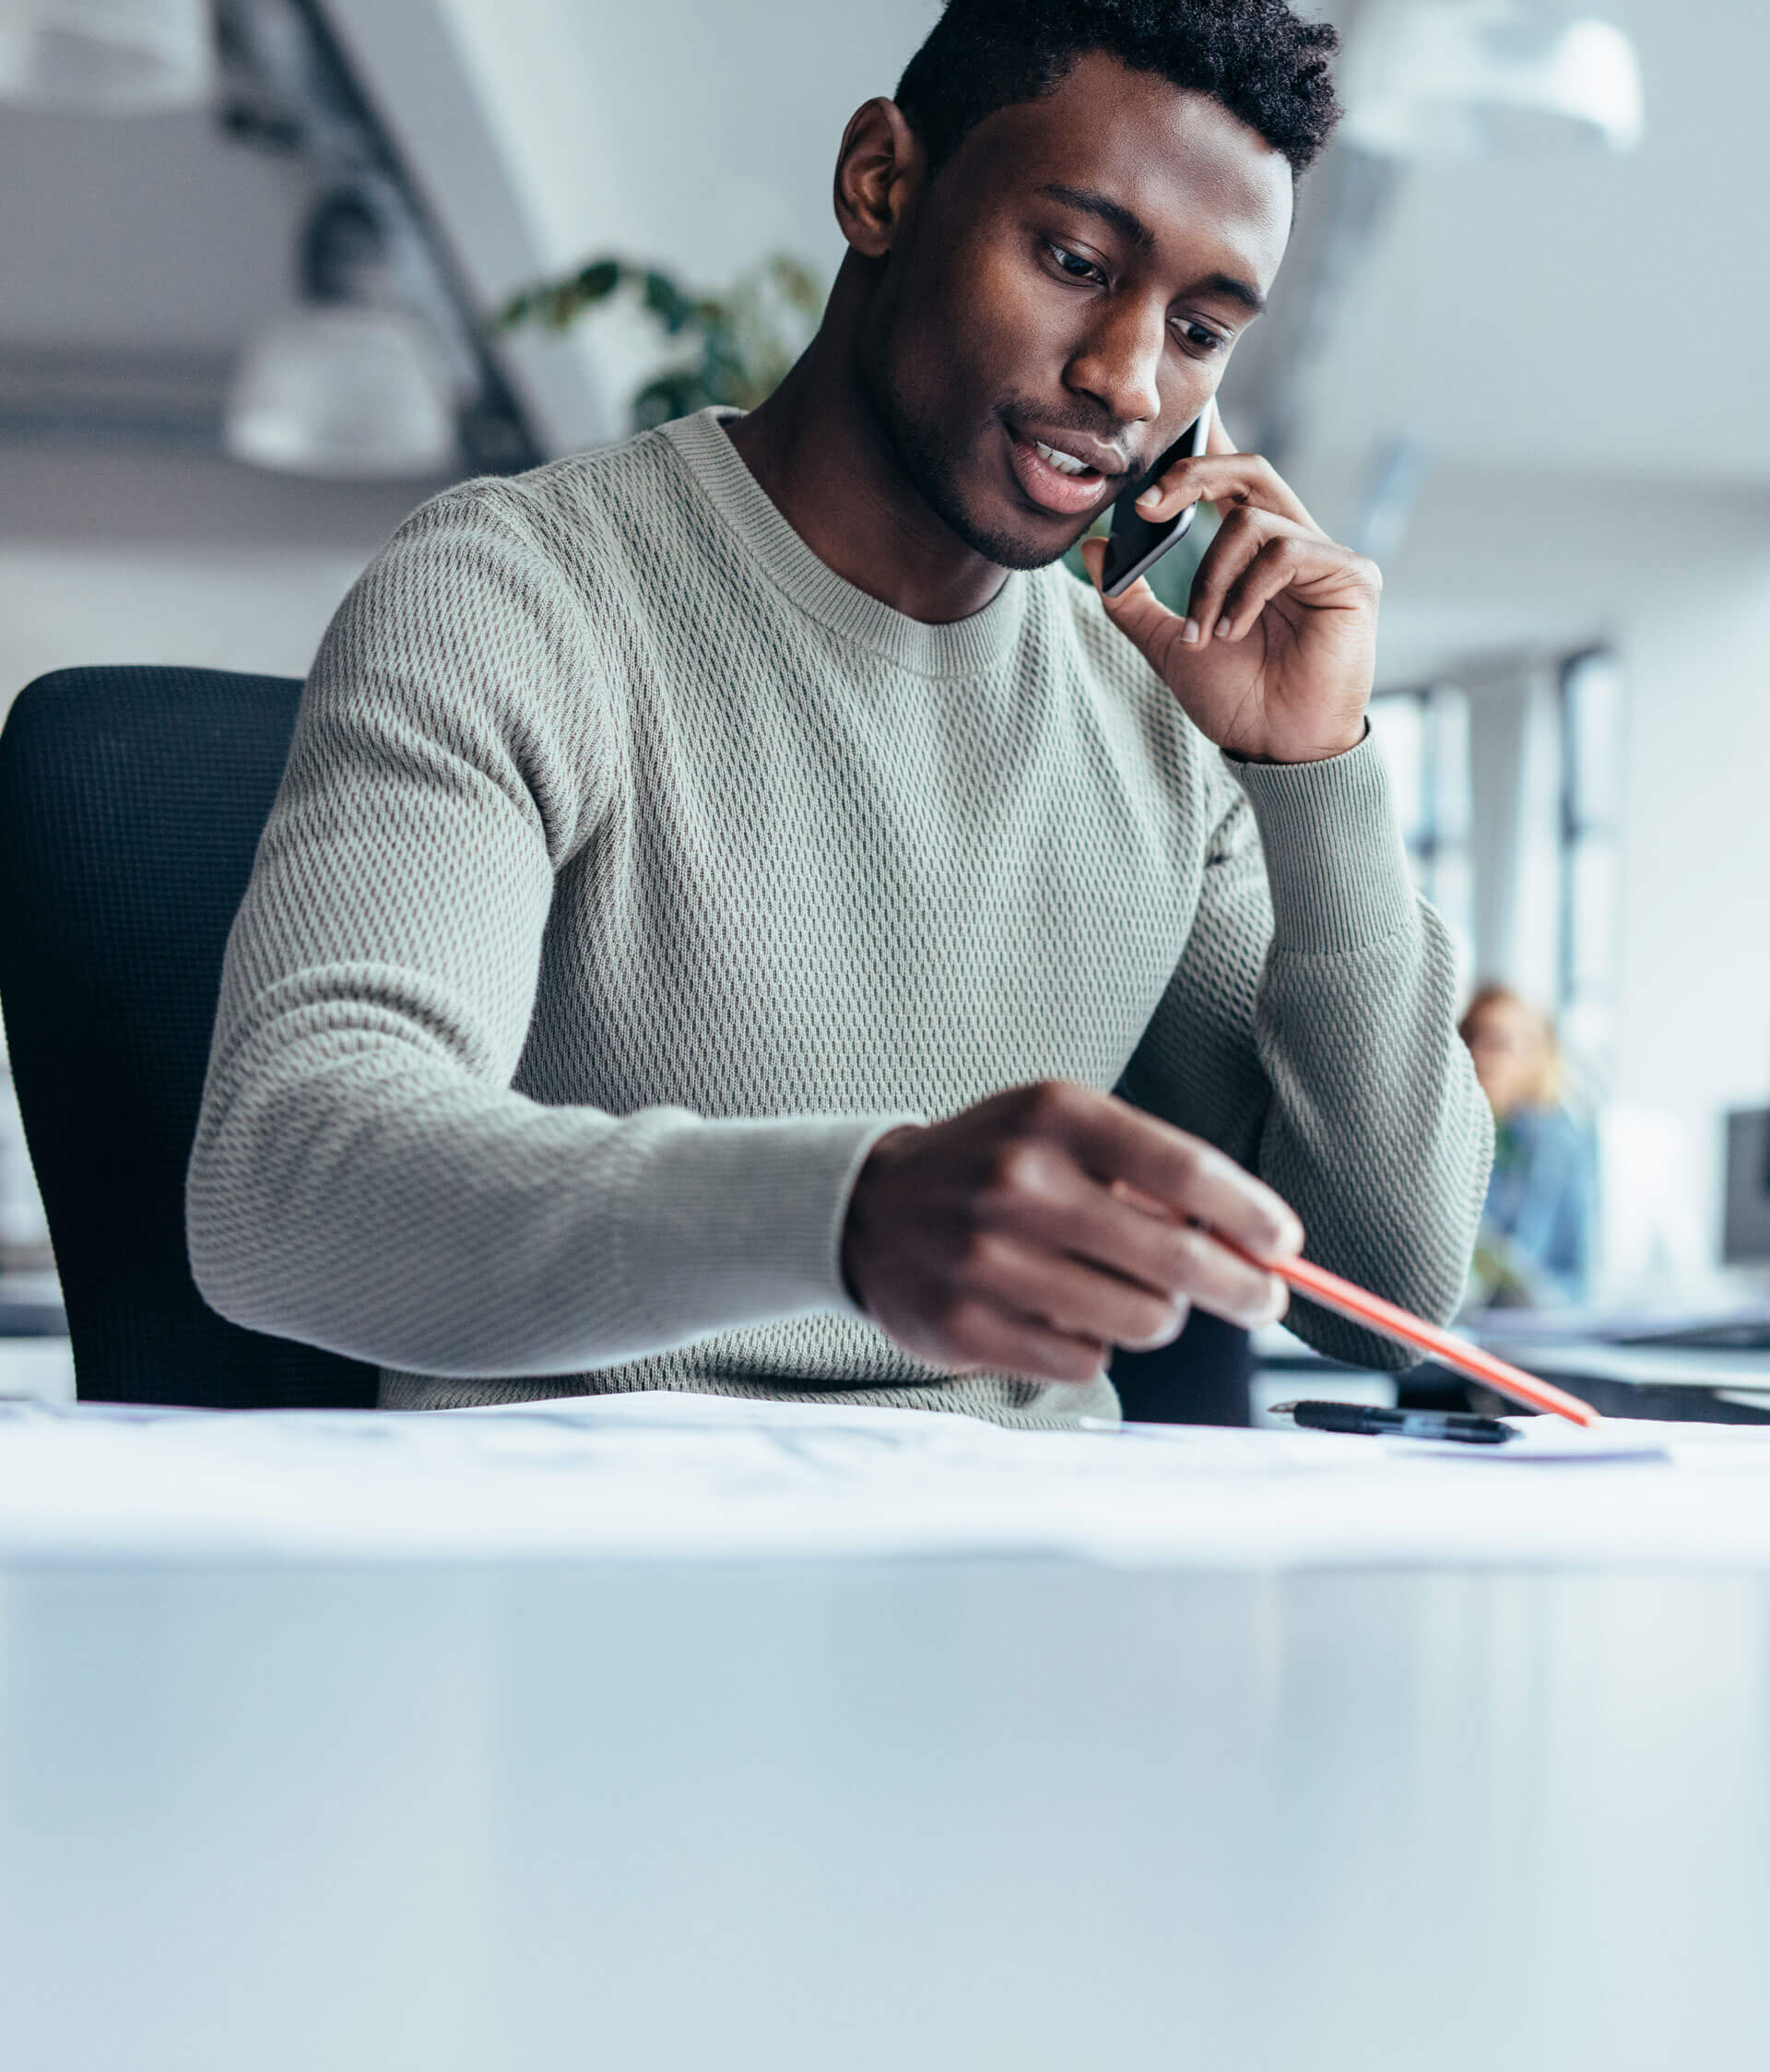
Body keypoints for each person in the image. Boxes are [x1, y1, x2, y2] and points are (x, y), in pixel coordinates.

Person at [187, 0, 1492, 1425]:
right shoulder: (524, 593)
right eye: (1072, 260)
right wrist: (842, 1213)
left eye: (1196, 328)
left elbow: (1387, 1289)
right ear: (883, 181)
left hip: (1031, 1585)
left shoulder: (1154, 690)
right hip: (593, 1572)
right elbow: (284, 1181)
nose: (1126, 378)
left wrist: (1312, 776)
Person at [1459, 985, 1594, 1308]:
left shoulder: (1563, 1145)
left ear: (1536, 1057)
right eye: (1471, 1038)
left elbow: (1579, 1277)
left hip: (1532, 1320)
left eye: (1498, 1043)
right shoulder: (1447, 1134)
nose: (1480, 1054)